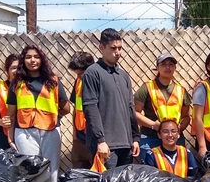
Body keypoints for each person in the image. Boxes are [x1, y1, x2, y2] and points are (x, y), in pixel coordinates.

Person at [7, 45, 70, 182]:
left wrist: (52, 115)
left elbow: (66, 108)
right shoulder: (17, 83)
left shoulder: (53, 81)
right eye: (28, 57)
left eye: (36, 57)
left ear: (42, 59)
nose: (32, 60)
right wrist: (10, 138)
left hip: (50, 130)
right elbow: (10, 114)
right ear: (23, 60)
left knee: (51, 170)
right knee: (31, 170)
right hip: (25, 132)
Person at [82, 28, 141, 169]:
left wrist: (135, 138)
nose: (118, 52)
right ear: (101, 47)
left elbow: (130, 107)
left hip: (126, 144)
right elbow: (90, 108)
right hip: (106, 146)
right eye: (113, 48)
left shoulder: (124, 76)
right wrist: (100, 140)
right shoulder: (92, 73)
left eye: (120, 48)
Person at [134, 51, 192, 164]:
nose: (167, 67)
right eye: (163, 64)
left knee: (177, 172)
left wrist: (179, 129)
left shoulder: (181, 90)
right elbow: (134, 113)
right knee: (149, 174)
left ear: (175, 67)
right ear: (157, 67)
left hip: (174, 138)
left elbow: (186, 116)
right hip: (151, 138)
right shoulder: (147, 88)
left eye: (171, 64)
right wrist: (153, 125)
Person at [68, 51, 96, 169]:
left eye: (81, 73)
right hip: (81, 136)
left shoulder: (98, 81)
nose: (78, 77)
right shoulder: (78, 82)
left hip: (96, 137)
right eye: (76, 74)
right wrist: (75, 137)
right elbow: (76, 109)